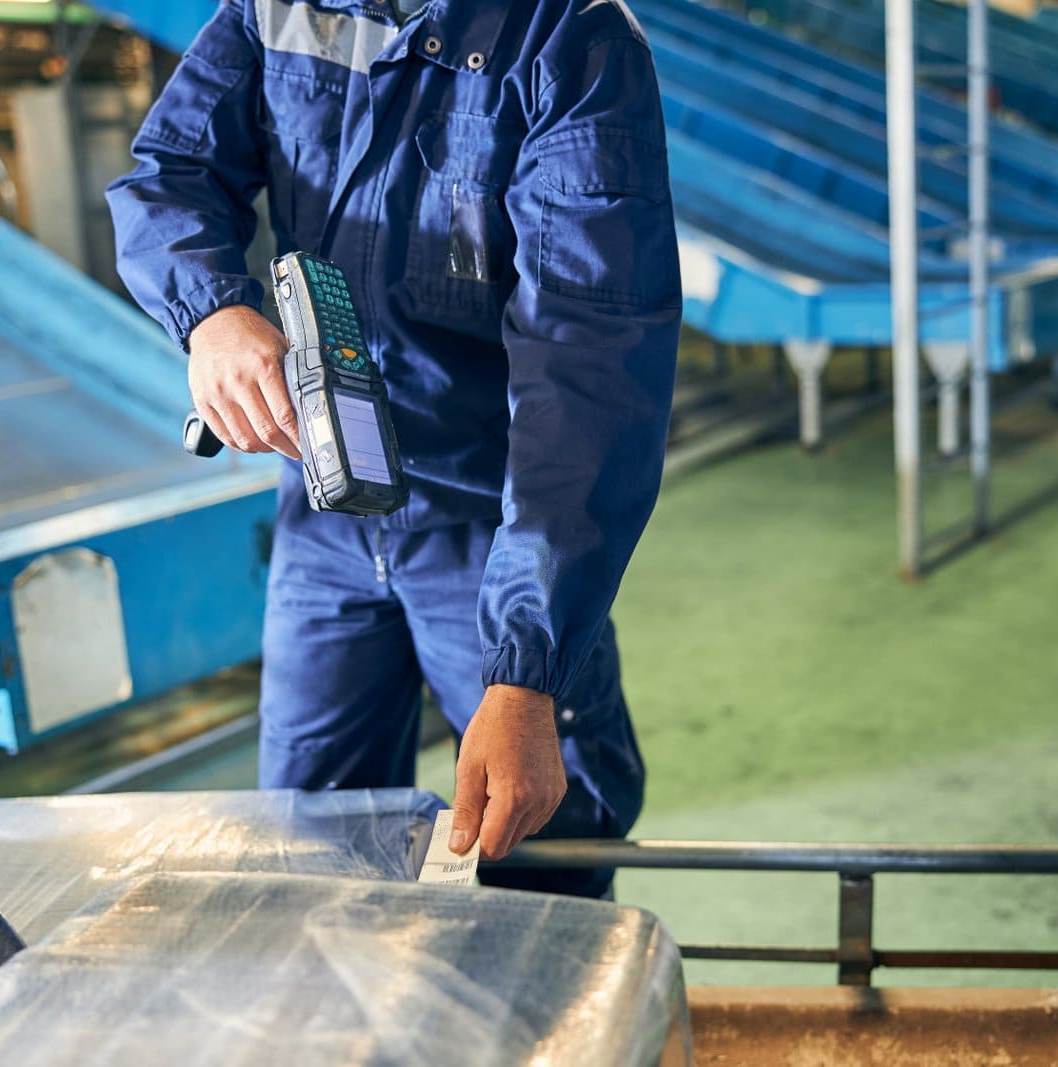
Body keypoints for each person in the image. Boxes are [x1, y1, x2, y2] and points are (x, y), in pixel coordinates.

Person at [107, 0, 680, 897]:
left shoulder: (571, 39)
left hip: (488, 523)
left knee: (540, 846)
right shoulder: (276, 10)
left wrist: (525, 668)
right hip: (326, 509)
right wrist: (211, 311)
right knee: (302, 851)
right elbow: (171, 170)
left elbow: (588, 370)